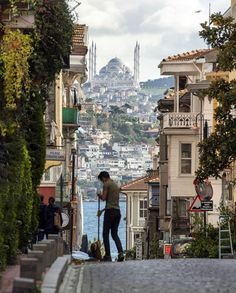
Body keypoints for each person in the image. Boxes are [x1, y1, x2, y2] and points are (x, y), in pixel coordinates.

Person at [98, 171, 124, 262]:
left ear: (104, 178)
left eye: (102, 180)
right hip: (117, 212)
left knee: (105, 234)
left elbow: (104, 198)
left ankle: (108, 256)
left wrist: (99, 195)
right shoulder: (115, 185)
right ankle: (121, 253)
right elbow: (111, 201)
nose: (102, 182)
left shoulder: (107, 184)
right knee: (114, 234)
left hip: (110, 212)